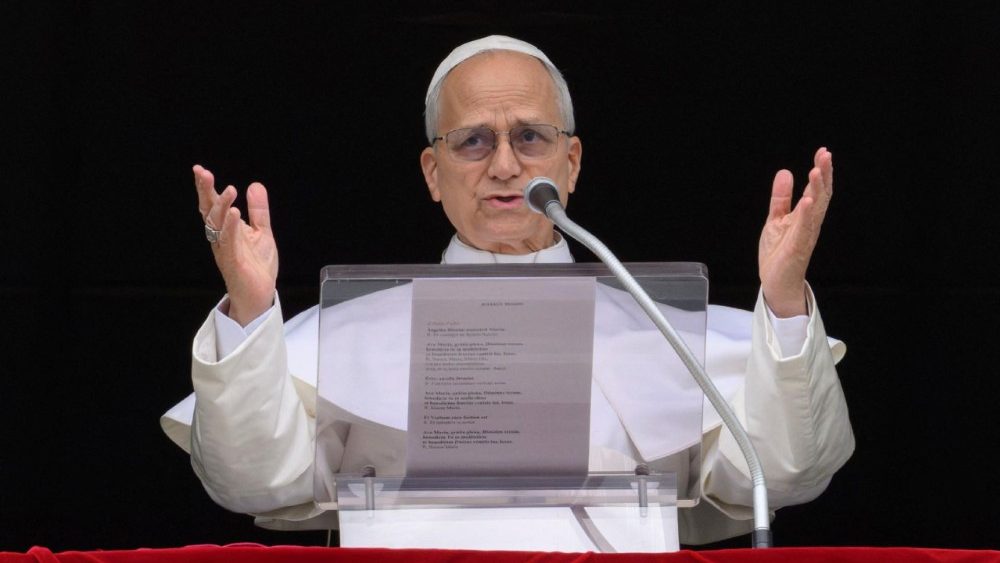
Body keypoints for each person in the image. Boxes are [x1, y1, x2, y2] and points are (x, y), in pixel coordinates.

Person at [160, 35, 854, 546]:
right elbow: (253, 484)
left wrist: (786, 301)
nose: (503, 164)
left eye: (529, 136)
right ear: (433, 173)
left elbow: (783, 475)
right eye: (471, 142)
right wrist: (252, 312)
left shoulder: (655, 329)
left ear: (571, 162)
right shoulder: (351, 338)